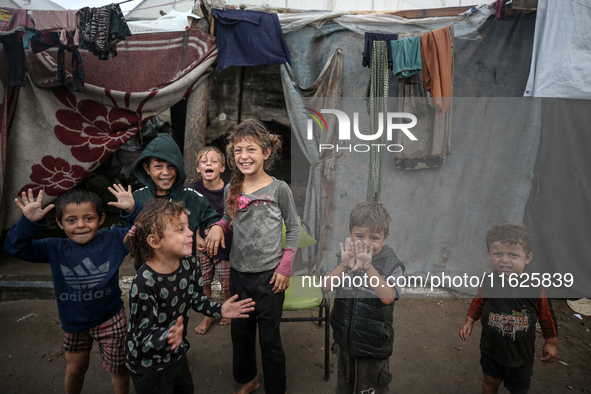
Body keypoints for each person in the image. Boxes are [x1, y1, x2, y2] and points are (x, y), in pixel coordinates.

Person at [4, 185, 140, 394]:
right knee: (75, 370)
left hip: (111, 319)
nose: (81, 225)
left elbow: (143, 232)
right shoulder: (54, 247)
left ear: (101, 219)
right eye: (71, 220)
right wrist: (28, 223)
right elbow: (15, 247)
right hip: (74, 323)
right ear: (59, 223)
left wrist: (132, 210)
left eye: (89, 218)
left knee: (120, 368)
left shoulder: (114, 240)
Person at [204, 119, 299, 394]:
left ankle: (275, 389)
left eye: (251, 149)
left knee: (270, 340)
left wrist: (285, 267)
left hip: (270, 278)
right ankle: (249, 379)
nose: (244, 156)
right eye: (238, 150)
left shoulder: (279, 188)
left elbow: (293, 228)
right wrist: (219, 227)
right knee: (241, 335)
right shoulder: (231, 188)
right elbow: (226, 216)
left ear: (266, 152)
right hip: (240, 276)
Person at [124, 199, 255, 394]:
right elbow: (140, 334)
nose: (191, 232)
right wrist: (166, 336)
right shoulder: (145, 282)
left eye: (188, 226)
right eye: (180, 229)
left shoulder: (189, 264)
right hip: (149, 365)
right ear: (155, 241)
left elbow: (195, 297)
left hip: (177, 354)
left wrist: (220, 309)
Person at [459, 224, 558, 394]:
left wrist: (550, 342)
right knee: (489, 381)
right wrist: (469, 320)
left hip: (520, 356)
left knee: (518, 389)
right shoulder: (488, 280)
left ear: (527, 258)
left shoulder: (535, 287)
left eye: (513, 254)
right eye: (498, 254)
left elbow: (546, 315)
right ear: (489, 255)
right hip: (491, 349)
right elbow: (479, 302)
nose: (504, 260)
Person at [323, 202, 405, 394]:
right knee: (344, 386)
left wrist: (369, 268)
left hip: (373, 346)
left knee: (370, 389)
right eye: (359, 235)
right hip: (345, 340)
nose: (366, 243)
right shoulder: (344, 257)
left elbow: (388, 298)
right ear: (350, 232)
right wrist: (343, 266)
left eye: (374, 237)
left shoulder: (391, 265)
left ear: (386, 238)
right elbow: (326, 286)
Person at [127, 133, 222, 270]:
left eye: (171, 166)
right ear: (147, 169)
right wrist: (128, 211)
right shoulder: (137, 198)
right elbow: (125, 232)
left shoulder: (191, 197)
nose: (166, 172)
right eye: (158, 166)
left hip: (185, 271)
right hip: (148, 270)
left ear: (179, 167)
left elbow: (212, 217)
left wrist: (216, 228)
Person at [189, 146, 233, 334]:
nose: (209, 164)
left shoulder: (230, 188)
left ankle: (228, 309)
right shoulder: (192, 190)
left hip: (226, 246)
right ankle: (208, 314)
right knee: (205, 280)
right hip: (204, 246)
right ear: (198, 168)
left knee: (227, 282)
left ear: (222, 168)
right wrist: (196, 237)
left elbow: (233, 217)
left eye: (214, 161)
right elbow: (186, 217)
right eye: (204, 161)